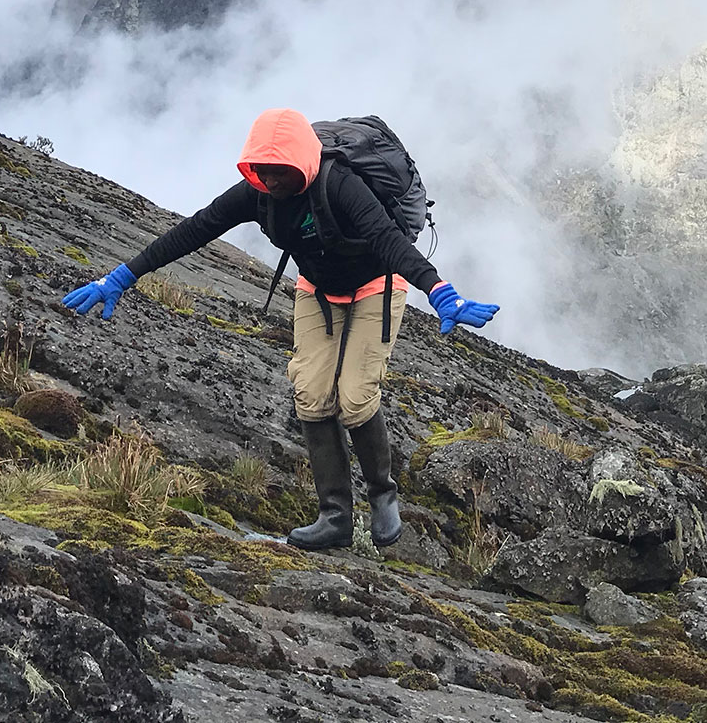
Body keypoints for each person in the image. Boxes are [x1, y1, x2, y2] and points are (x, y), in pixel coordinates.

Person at [59, 108, 499, 551]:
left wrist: (440, 291)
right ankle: (335, 517)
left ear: (303, 163)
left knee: (355, 396)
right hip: (318, 291)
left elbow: (388, 240)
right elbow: (194, 230)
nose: (270, 181)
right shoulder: (257, 193)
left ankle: (383, 494)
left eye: (280, 172)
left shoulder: (339, 183)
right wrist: (121, 276)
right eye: (262, 172)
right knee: (310, 392)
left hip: (374, 288)